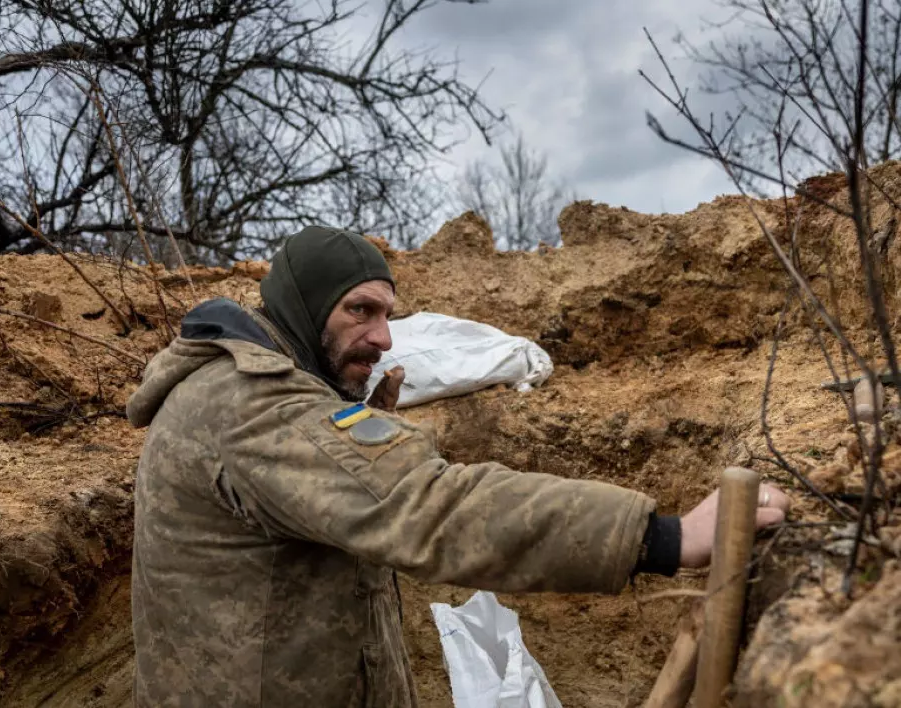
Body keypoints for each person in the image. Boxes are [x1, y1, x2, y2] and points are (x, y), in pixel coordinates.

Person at [126, 226, 790, 707]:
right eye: (360, 310)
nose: (383, 336)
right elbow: (430, 507)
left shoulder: (260, 392)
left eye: (387, 314)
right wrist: (665, 538)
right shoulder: (254, 406)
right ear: (303, 308)